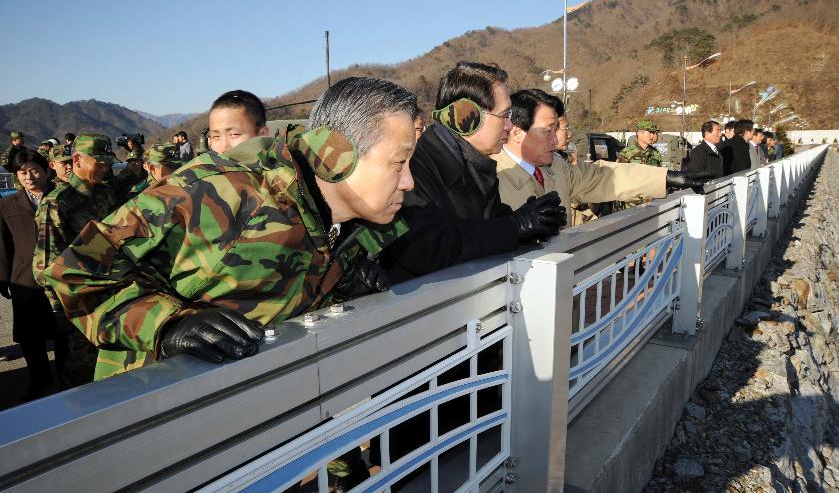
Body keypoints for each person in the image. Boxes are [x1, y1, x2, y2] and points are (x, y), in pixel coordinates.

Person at [46, 77, 416, 381]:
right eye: (399, 163)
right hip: (154, 415)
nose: (408, 181)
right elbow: (73, 273)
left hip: (248, 417)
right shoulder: (217, 192)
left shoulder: (349, 224)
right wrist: (168, 325)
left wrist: (341, 290)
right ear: (336, 153)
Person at [381, 61, 567, 283]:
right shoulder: (418, 167)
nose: (509, 126)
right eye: (504, 116)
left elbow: (484, 223)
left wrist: (530, 223)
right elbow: (422, 248)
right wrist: (514, 226)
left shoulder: (475, 162)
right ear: (465, 117)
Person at [494, 89, 680, 221]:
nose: (554, 140)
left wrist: (665, 178)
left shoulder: (558, 168)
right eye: (548, 131)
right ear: (518, 133)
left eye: (556, 130)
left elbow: (604, 178)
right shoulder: (488, 177)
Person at [33, 133, 119, 387]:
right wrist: (62, 311)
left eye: (107, 163)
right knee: (80, 378)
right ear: (78, 159)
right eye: (99, 163)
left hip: (111, 295)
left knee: (112, 370)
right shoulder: (57, 203)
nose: (104, 169)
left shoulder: (107, 193)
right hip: (78, 305)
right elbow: (44, 267)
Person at [0, 150, 61, 401]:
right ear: (16, 176)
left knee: (63, 329)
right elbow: (2, 245)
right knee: (29, 334)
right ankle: (39, 377)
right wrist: (3, 278)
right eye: (22, 172)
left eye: (34, 170)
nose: (29, 176)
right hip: (24, 277)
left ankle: (67, 375)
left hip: (60, 274)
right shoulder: (7, 204)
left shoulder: (63, 198)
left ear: (46, 171)